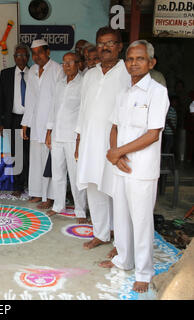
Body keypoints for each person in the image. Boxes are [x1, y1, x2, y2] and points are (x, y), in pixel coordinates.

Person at [99, 40, 169, 293]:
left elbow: (153, 134)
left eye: (140, 59)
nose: (134, 63)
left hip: (141, 169)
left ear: (151, 63)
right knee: (122, 217)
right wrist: (116, 156)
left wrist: (119, 152)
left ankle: (144, 272)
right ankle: (123, 259)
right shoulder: (123, 93)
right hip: (121, 165)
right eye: (130, 59)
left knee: (141, 221)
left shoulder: (157, 92)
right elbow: (115, 127)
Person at [75, 26, 130, 251]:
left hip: (115, 145)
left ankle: (121, 238)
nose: (105, 47)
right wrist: (79, 141)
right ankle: (101, 233)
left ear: (119, 47)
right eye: (101, 43)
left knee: (117, 190)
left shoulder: (127, 72)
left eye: (110, 43)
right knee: (94, 186)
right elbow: (82, 109)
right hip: (89, 142)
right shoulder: (90, 74)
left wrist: (124, 148)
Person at [45, 52, 88, 224]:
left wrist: (80, 137)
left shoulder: (83, 83)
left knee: (76, 174)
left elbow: (84, 112)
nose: (67, 66)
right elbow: (53, 109)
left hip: (73, 137)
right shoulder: (60, 83)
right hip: (57, 135)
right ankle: (58, 205)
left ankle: (80, 210)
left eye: (71, 62)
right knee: (58, 173)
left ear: (78, 64)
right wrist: (48, 132)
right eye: (64, 63)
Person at [21, 39, 64, 209]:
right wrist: (25, 124)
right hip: (35, 122)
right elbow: (30, 99)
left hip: (51, 123)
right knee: (36, 159)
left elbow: (57, 100)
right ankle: (37, 192)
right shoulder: (31, 71)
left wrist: (50, 128)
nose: (37, 56)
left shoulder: (57, 70)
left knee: (50, 161)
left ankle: (50, 197)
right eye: (34, 53)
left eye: (40, 52)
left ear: (48, 52)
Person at [0, 43, 31, 198]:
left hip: (31, 121)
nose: (21, 58)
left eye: (24, 55)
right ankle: (18, 186)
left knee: (31, 154)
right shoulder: (6, 74)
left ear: (28, 57)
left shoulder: (35, 73)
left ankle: (32, 185)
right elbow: (1, 99)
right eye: (18, 55)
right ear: (14, 57)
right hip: (13, 120)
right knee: (17, 155)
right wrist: (0, 122)